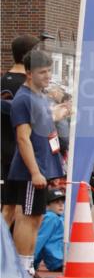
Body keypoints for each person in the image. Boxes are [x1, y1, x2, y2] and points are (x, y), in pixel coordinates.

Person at [2, 49, 65, 278]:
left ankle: (25, 267)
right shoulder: (24, 98)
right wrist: (36, 171)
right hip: (31, 170)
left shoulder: (39, 96)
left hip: (44, 165)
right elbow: (23, 138)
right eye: (42, 72)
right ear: (28, 73)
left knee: (36, 218)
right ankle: (22, 270)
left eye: (49, 71)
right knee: (27, 218)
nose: (47, 76)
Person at [1, 34, 40, 204]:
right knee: (23, 207)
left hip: (5, 148)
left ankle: (6, 231)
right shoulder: (28, 85)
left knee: (8, 205)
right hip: (24, 152)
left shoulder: (2, 80)